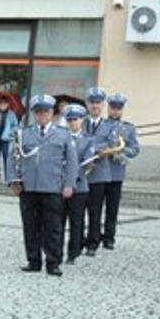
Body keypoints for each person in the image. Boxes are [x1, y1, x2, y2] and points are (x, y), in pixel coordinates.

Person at [9, 94, 76, 276]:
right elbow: (13, 157)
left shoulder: (63, 134)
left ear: (52, 112)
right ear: (33, 114)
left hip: (52, 187)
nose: (42, 115)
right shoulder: (24, 133)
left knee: (53, 227)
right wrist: (13, 179)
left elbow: (72, 161)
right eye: (38, 112)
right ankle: (33, 260)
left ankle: (53, 262)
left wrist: (69, 184)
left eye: (45, 111)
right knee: (30, 226)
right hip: (29, 187)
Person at [83, 93, 140, 252]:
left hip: (116, 172)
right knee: (95, 207)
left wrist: (121, 152)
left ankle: (109, 237)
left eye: (118, 108)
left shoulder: (128, 128)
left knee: (112, 208)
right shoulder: (100, 125)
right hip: (99, 170)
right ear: (108, 108)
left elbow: (135, 149)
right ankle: (94, 236)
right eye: (113, 108)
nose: (115, 111)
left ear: (122, 110)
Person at [61, 104, 91, 266]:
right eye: (70, 120)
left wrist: (71, 176)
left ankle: (73, 253)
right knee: (58, 221)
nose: (72, 122)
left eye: (75, 119)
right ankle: (56, 251)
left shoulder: (88, 140)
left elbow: (87, 162)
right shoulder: (60, 137)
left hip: (79, 186)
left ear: (82, 120)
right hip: (60, 185)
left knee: (76, 222)